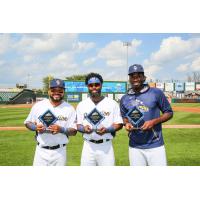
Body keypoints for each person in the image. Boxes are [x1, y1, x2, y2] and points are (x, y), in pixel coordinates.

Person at [120, 64, 173, 166]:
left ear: (144, 78)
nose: (135, 79)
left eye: (138, 76)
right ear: (129, 79)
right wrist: (126, 123)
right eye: (132, 76)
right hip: (135, 147)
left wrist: (154, 122)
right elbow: (124, 117)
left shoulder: (156, 93)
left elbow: (169, 113)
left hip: (155, 145)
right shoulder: (124, 98)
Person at [24, 78, 77, 166]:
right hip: (41, 151)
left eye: (60, 91)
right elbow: (27, 123)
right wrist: (35, 127)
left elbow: (74, 131)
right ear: (48, 91)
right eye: (53, 90)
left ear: (64, 92)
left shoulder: (70, 108)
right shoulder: (39, 105)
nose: (57, 93)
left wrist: (62, 130)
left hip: (60, 152)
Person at [76, 72, 123, 166]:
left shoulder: (112, 103)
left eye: (97, 85)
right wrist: (83, 129)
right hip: (88, 146)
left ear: (101, 85)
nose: (94, 87)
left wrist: (107, 130)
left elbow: (119, 124)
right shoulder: (82, 104)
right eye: (91, 85)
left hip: (106, 146)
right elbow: (78, 125)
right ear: (87, 86)